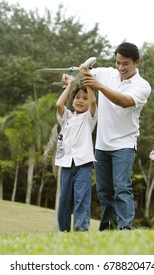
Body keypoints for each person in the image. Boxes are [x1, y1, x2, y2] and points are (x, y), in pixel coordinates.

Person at [81, 42, 152, 230]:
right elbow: (83, 74)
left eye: (125, 64)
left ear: (137, 62)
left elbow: (125, 101)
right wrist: (71, 76)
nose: (121, 68)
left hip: (124, 144)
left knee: (121, 188)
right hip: (102, 145)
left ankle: (124, 230)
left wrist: (100, 87)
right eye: (118, 63)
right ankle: (107, 230)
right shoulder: (107, 73)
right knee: (104, 191)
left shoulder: (142, 85)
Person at [55, 67, 97, 232]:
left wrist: (89, 82)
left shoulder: (89, 118)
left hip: (83, 164)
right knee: (64, 199)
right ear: (72, 101)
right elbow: (59, 103)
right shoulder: (67, 118)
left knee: (81, 199)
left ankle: (80, 230)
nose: (81, 100)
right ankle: (63, 231)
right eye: (78, 98)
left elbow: (93, 102)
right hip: (66, 163)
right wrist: (70, 86)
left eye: (84, 98)